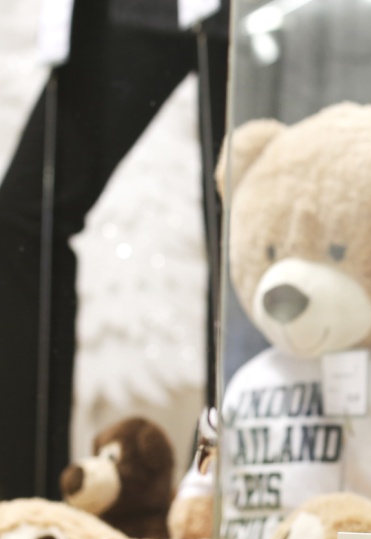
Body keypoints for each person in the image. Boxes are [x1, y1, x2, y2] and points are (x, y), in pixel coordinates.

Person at [0, 0, 230, 500]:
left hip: (249, 19)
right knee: (24, 216)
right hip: (130, 10)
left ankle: (222, 497)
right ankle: (23, 505)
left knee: (240, 230)